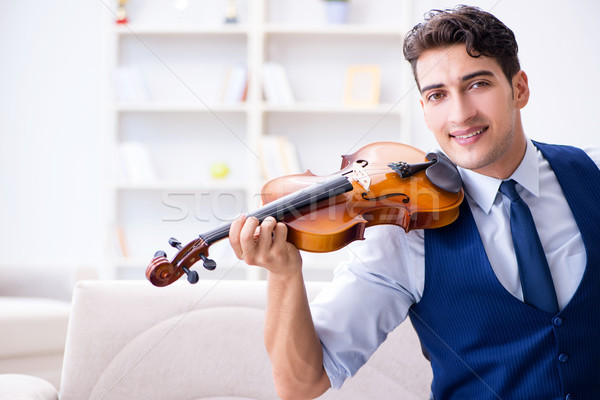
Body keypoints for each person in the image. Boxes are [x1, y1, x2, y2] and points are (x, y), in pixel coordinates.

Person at [229, 5, 600, 399]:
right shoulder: (402, 233)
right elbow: (301, 384)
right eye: (438, 95)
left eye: (478, 85)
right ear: (424, 110)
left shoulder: (592, 172)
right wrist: (285, 275)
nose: (460, 114)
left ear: (519, 88)